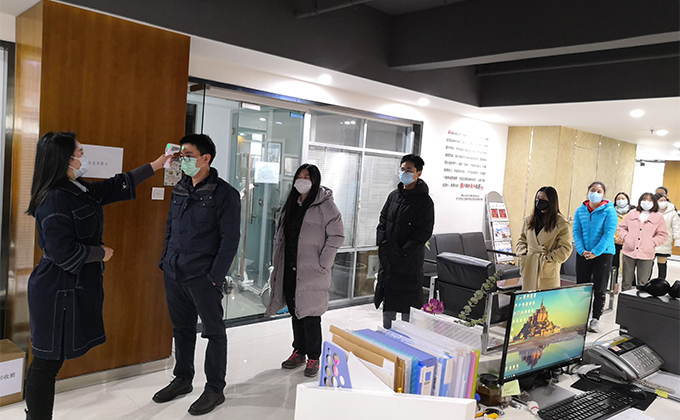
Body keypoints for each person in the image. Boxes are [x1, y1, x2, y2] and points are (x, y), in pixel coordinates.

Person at [24, 132, 171, 420]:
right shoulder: (54, 199)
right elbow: (62, 252)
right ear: (65, 159)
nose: (84, 156)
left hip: (69, 288)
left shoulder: (77, 188)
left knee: (51, 361)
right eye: (80, 152)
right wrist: (99, 253)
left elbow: (114, 185)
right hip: (56, 292)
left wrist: (156, 165)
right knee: (46, 362)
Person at [154, 134, 241, 416]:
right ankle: (182, 379)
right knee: (182, 328)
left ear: (206, 158)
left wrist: (214, 276)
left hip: (202, 276)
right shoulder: (180, 188)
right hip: (174, 272)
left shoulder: (225, 194)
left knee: (213, 332)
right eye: (182, 156)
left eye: (189, 156)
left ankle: (215, 388)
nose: (183, 161)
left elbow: (230, 241)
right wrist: (165, 260)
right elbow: (170, 228)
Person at [265, 164, 344, 377]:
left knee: (311, 315)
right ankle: (299, 351)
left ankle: (314, 357)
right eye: (299, 176)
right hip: (290, 267)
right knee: (296, 311)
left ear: (315, 180)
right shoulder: (292, 203)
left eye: (307, 177)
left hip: (312, 270)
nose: (302, 180)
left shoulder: (325, 205)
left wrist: (324, 262)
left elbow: (337, 235)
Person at [375, 154, 435, 329]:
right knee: (389, 303)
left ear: (418, 173)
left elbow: (423, 232)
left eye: (409, 170)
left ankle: (406, 335)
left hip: (409, 262)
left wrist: (403, 252)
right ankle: (387, 332)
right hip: (389, 260)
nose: (404, 173)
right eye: (402, 169)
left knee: (408, 306)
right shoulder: (394, 196)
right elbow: (383, 220)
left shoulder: (425, 201)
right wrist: (382, 243)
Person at [573, 181, 617, 333]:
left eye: (599, 191)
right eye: (593, 190)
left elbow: (609, 233)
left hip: (603, 253)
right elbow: (576, 231)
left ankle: (595, 318)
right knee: (582, 287)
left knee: (599, 288)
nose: (595, 193)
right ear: (588, 192)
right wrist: (582, 250)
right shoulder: (580, 210)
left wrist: (595, 252)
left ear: (604, 195)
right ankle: (580, 318)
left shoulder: (609, 211)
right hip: (584, 253)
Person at [516, 186, 572, 291]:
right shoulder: (529, 220)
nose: (539, 201)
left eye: (543, 199)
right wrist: (523, 253)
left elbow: (566, 248)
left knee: (546, 298)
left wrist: (549, 257)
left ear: (551, 201)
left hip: (547, 267)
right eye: (537, 198)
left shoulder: (561, 223)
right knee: (528, 296)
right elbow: (522, 240)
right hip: (529, 264)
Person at [617, 193, 668, 292]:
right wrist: (626, 237)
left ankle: (640, 300)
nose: (646, 202)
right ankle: (625, 299)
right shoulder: (632, 214)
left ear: (654, 203)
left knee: (643, 282)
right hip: (629, 251)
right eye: (644, 200)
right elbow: (622, 228)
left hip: (646, 253)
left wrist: (652, 242)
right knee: (626, 281)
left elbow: (662, 235)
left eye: (650, 200)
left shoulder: (659, 217)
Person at [654, 193, 679, 280]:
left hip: (665, 242)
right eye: (661, 200)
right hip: (651, 241)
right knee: (648, 264)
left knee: (662, 264)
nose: (664, 202)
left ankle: (661, 282)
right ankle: (646, 282)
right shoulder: (651, 211)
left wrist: (677, 240)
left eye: (665, 200)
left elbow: (676, 227)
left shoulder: (672, 213)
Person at [612, 192, 634, 289]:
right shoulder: (612, 211)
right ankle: (614, 283)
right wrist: (613, 238)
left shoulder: (632, 213)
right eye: (618, 198)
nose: (621, 200)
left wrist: (625, 238)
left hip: (627, 241)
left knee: (629, 263)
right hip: (614, 241)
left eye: (623, 198)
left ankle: (629, 285)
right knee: (614, 263)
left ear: (628, 200)